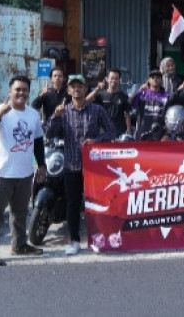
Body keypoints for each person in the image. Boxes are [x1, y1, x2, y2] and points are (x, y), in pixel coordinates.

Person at [45, 74, 117, 255]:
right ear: (68, 90)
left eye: (80, 86)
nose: (77, 89)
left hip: (94, 168)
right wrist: (54, 116)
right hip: (71, 165)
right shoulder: (63, 111)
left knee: (98, 204)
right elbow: (49, 134)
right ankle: (75, 240)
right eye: (73, 86)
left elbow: (112, 131)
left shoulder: (97, 110)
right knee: (73, 204)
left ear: (86, 89)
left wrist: (97, 140)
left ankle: (100, 238)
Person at [0, 74, 46, 266]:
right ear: (10, 91)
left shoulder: (33, 114)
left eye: (25, 90)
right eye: (18, 89)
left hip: (24, 173)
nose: (21, 93)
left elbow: (38, 141)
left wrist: (41, 165)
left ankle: (19, 245)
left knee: (19, 212)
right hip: (1, 173)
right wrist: (0, 113)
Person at [85, 68, 132, 137]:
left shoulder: (124, 96)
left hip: (119, 132)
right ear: (107, 79)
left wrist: (129, 131)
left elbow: (127, 115)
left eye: (116, 78)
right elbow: (86, 101)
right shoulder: (100, 95)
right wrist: (97, 89)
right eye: (112, 78)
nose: (114, 80)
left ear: (119, 80)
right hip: (103, 132)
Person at [130, 70, 172, 140]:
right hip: (142, 135)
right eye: (152, 77)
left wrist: (167, 134)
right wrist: (139, 91)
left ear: (161, 80)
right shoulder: (142, 94)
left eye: (158, 77)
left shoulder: (167, 97)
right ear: (149, 80)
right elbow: (130, 103)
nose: (155, 79)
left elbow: (170, 118)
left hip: (160, 136)